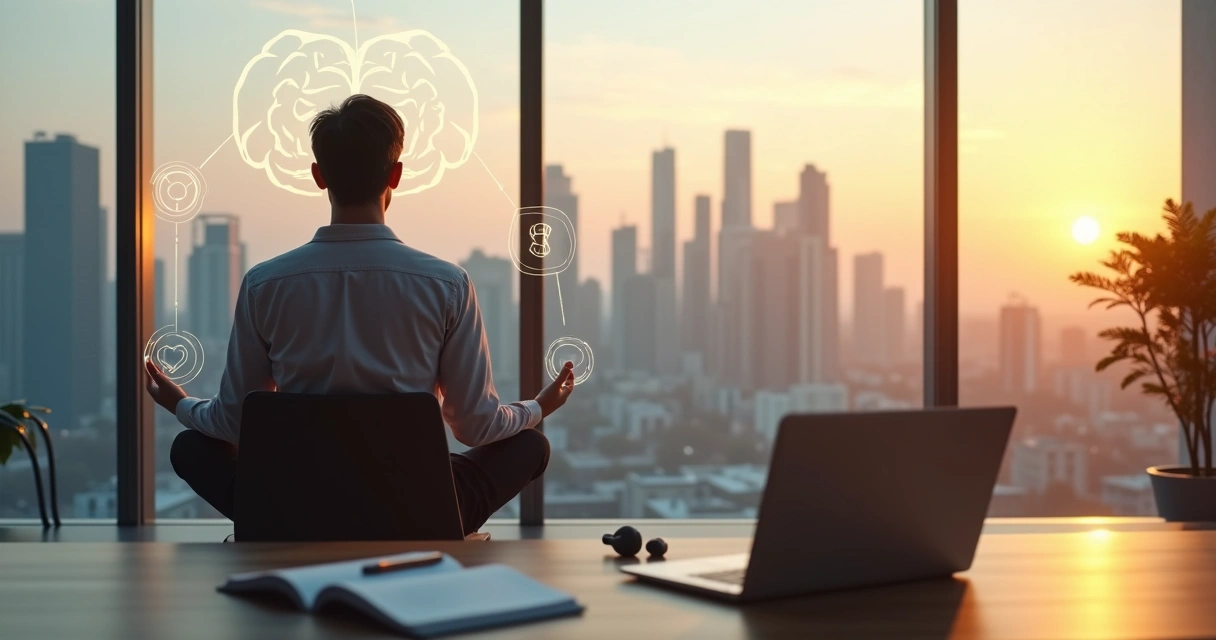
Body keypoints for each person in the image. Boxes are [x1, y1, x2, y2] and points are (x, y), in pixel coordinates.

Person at [144, 94, 574, 535]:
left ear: (318, 176)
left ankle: (283, 524)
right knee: (530, 446)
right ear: (396, 175)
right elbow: (475, 426)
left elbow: (235, 423)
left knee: (190, 447)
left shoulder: (264, 283)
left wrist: (180, 403)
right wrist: (538, 407)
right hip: (416, 510)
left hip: (294, 507)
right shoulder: (447, 284)